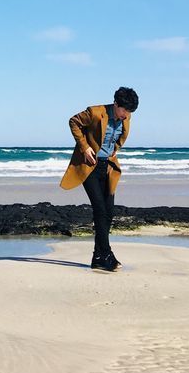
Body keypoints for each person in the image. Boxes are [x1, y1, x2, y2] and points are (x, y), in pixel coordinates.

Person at [59, 86, 139, 272]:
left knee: (109, 211)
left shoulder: (126, 117)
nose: (126, 115)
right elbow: (73, 122)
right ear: (116, 104)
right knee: (100, 210)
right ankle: (107, 254)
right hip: (89, 167)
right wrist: (85, 147)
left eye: (130, 112)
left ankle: (97, 257)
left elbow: (117, 141)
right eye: (124, 110)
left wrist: (111, 153)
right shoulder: (95, 113)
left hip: (108, 167)